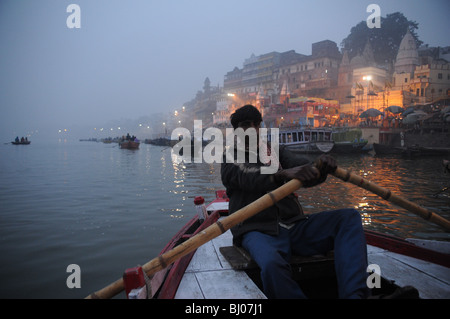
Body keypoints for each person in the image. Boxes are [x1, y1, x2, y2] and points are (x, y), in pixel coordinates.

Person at [221, 105, 372, 299]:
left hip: (294, 225)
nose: (253, 129)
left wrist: (320, 166)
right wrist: (280, 174)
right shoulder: (230, 156)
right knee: (271, 264)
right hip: (256, 229)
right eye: (245, 125)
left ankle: (355, 296)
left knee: (349, 218)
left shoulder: (276, 152)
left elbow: (302, 167)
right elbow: (246, 176)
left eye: (256, 124)